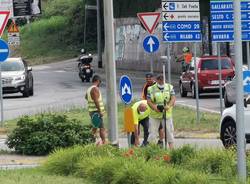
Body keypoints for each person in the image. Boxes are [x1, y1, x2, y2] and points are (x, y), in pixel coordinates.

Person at [147, 75, 176, 149]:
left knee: (169, 133)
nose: (161, 81)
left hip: (166, 114)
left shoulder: (169, 87)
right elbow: (149, 101)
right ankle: (151, 151)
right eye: (159, 80)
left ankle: (172, 151)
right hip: (154, 115)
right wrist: (155, 108)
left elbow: (173, 99)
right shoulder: (151, 89)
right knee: (152, 134)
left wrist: (168, 106)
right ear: (157, 80)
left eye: (162, 79)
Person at [85, 75, 106, 144]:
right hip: (96, 112)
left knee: (95, 127)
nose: (100, 84)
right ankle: (104, 142)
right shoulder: (95, 89)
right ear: (97, 81)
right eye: (100, 82)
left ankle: (90, 140)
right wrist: (100, 111)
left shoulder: (89, 89)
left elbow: (86, 97)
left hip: (92, 111)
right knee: (101, 128)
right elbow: (96, 101)